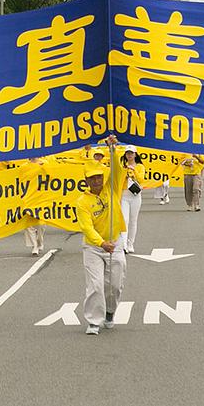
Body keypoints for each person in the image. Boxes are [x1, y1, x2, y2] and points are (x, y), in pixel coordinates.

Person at [76, 135, 125, 335]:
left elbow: (118, 170)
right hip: (94, 247)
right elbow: (86, 227)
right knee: (95, 285)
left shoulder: (111, 188)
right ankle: (93, 321)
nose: (97, 180)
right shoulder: (82, 202)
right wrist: (100, 242)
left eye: (99, 177)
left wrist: (113, 149)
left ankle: (110, 312)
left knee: (115, 284)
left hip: (116, 242)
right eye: (92, 178)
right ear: (86, 180)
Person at [118, 145, 146, 254]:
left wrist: (134, 172)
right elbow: (118, 179)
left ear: (135, 154)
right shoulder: (122, 166)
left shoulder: (140, 166)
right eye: (127, 153)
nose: (129, 155)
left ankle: (130, 244)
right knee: (124, 220)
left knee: (133, 220)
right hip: (124, 195)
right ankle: (123, 244)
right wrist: (124, 173)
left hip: (135, 195)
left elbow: (141, 179)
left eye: (131, 153)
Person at [23, 157, 47, 256]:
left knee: (41, 224)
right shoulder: (24, 166)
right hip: (28, 198)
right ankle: (34, 246)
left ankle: (39, 242)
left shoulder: (44, 163)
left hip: (41, 197)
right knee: (29, 225)